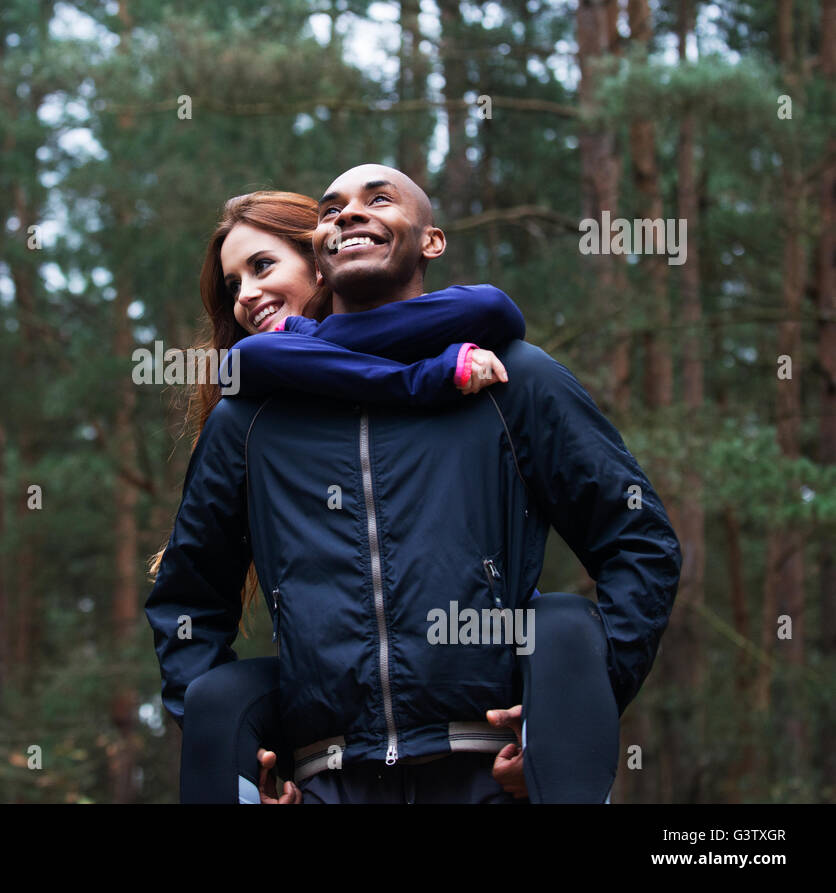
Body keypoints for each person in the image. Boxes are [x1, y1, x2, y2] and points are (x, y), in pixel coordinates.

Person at [146, 165, 681, 804]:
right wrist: (248, 761)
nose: (347, 214)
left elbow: (639, 541)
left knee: (564, 620)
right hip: (329, 785)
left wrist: (565, 718)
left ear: (431, 241)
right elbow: (188, 602)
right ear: (320, 254)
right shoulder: (247, 422)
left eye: (376, 200)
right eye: (331, 208)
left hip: (491, 777)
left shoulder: (514, 378)